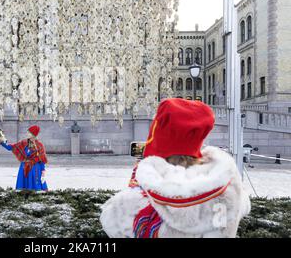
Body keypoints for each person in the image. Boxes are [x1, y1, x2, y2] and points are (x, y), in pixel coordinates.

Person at [100, 98, 251, 238]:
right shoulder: (230, 190)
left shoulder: (134, 205)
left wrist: (142, 179)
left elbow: (110, 220)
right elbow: (244, 206)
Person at [0, 125, 48, 192]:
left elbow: (42, 160)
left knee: (36, 188)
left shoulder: (40, 145)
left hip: (35, 168)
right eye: (27, 132)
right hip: (24, 167)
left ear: (33, 134)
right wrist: (2, 141)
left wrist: (43, 171)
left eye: (29, 132)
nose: (27, 133)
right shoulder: (23, 143)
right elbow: (11, 147)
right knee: (22, 188)